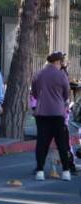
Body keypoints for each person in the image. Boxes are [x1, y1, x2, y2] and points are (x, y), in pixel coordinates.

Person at [31, 51, 73, 182]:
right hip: (58, 113)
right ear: (57, 62)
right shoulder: (61, 76)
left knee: (42, 143)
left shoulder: (39, 74)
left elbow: (35, 92)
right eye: (61, 63)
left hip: (42, 113)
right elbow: (66, 94)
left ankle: (40, 171)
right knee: (61, 143)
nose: (62, 65)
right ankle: (66, 171)